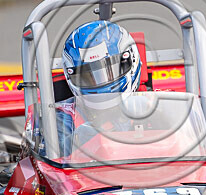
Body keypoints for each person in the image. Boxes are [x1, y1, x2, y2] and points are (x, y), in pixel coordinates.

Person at [55, 20, 143, 156]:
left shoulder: (153, 109)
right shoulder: (63, 120)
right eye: (88, 76)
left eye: (111, 70)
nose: (102, 83)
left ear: (130, 60)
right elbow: (52, 170)